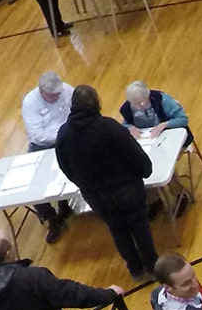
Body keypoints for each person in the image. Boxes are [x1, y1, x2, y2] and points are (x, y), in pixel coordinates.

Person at [54, 84, 156, 279]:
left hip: (96, 196)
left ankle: (135, 270)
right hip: (127, 190)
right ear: (96, 103)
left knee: (118, 232)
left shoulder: (64, 134)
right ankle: (152, 267)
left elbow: (65, 166)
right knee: (140, 228)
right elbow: (135, 154)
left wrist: (83, 184)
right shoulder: (109, 127)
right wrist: (146, 171)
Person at [21, 72, 75, 241]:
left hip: (68, 139)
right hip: (43, 146)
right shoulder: (30, 103)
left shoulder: (66, 90)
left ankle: (64, 204)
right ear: (41, 92)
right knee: (34, 184)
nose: (57, 97)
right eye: (53, 95)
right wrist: (64, 134)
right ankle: (51, 218)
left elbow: (77, 111)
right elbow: (38, 135)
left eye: (58, 94)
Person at [119, 80, 192, 152]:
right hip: (147, 141)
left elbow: (183, 119)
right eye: (135, 104)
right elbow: (125, 124)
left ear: (148, 96)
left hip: (168, 134)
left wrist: (165, 124)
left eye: (142, 102)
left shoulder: (162, 100)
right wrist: (130, 127)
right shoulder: (127, 108)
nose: (139, 107)